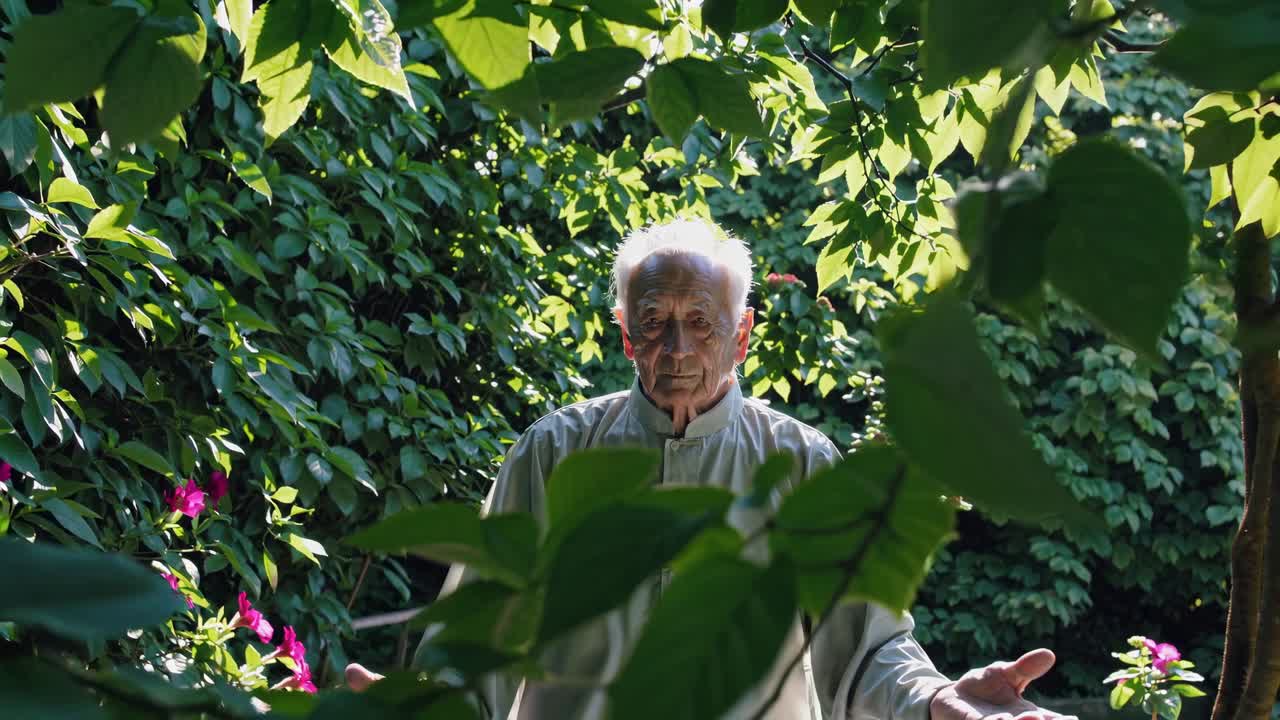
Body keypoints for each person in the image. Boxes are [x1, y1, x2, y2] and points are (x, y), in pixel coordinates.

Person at [347, 219, 1074, 720]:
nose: (677, 348)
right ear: (626, 335)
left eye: (700, 321)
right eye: (654, 321)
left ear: (742, 334)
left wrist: (935, 700)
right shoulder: (553, 453)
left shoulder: (805, 467)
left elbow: (869, 645)